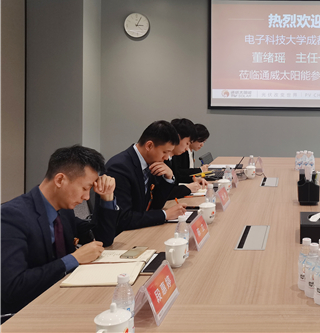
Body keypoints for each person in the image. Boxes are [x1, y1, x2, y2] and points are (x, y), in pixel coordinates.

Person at [1, 145, 117, 315]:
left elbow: (103, 239)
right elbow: (13, 286)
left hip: (63, 298)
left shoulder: (64, 211)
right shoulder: (12, 216)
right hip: (27, 312)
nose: (86, 197)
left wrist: (107, 198)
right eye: (85, 188)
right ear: (60, 180)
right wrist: (73, 259)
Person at [99, 120, 188, 235]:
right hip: (121, 235)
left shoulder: (151, 162)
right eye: (165, 152)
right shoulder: (119, 168)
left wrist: (168, 177)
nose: (166, 158)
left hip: (139, 228)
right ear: (149, 145)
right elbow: (123, 218)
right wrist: (165, 215)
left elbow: (155, 205)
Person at [166, 118, 206, 199]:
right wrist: (187, 188)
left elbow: (178, 177)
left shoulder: (172, 157)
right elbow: (165, 192)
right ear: (178, 138)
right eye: (187, 143)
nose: (187, 148)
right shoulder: (163, 160)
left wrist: (193, 179)